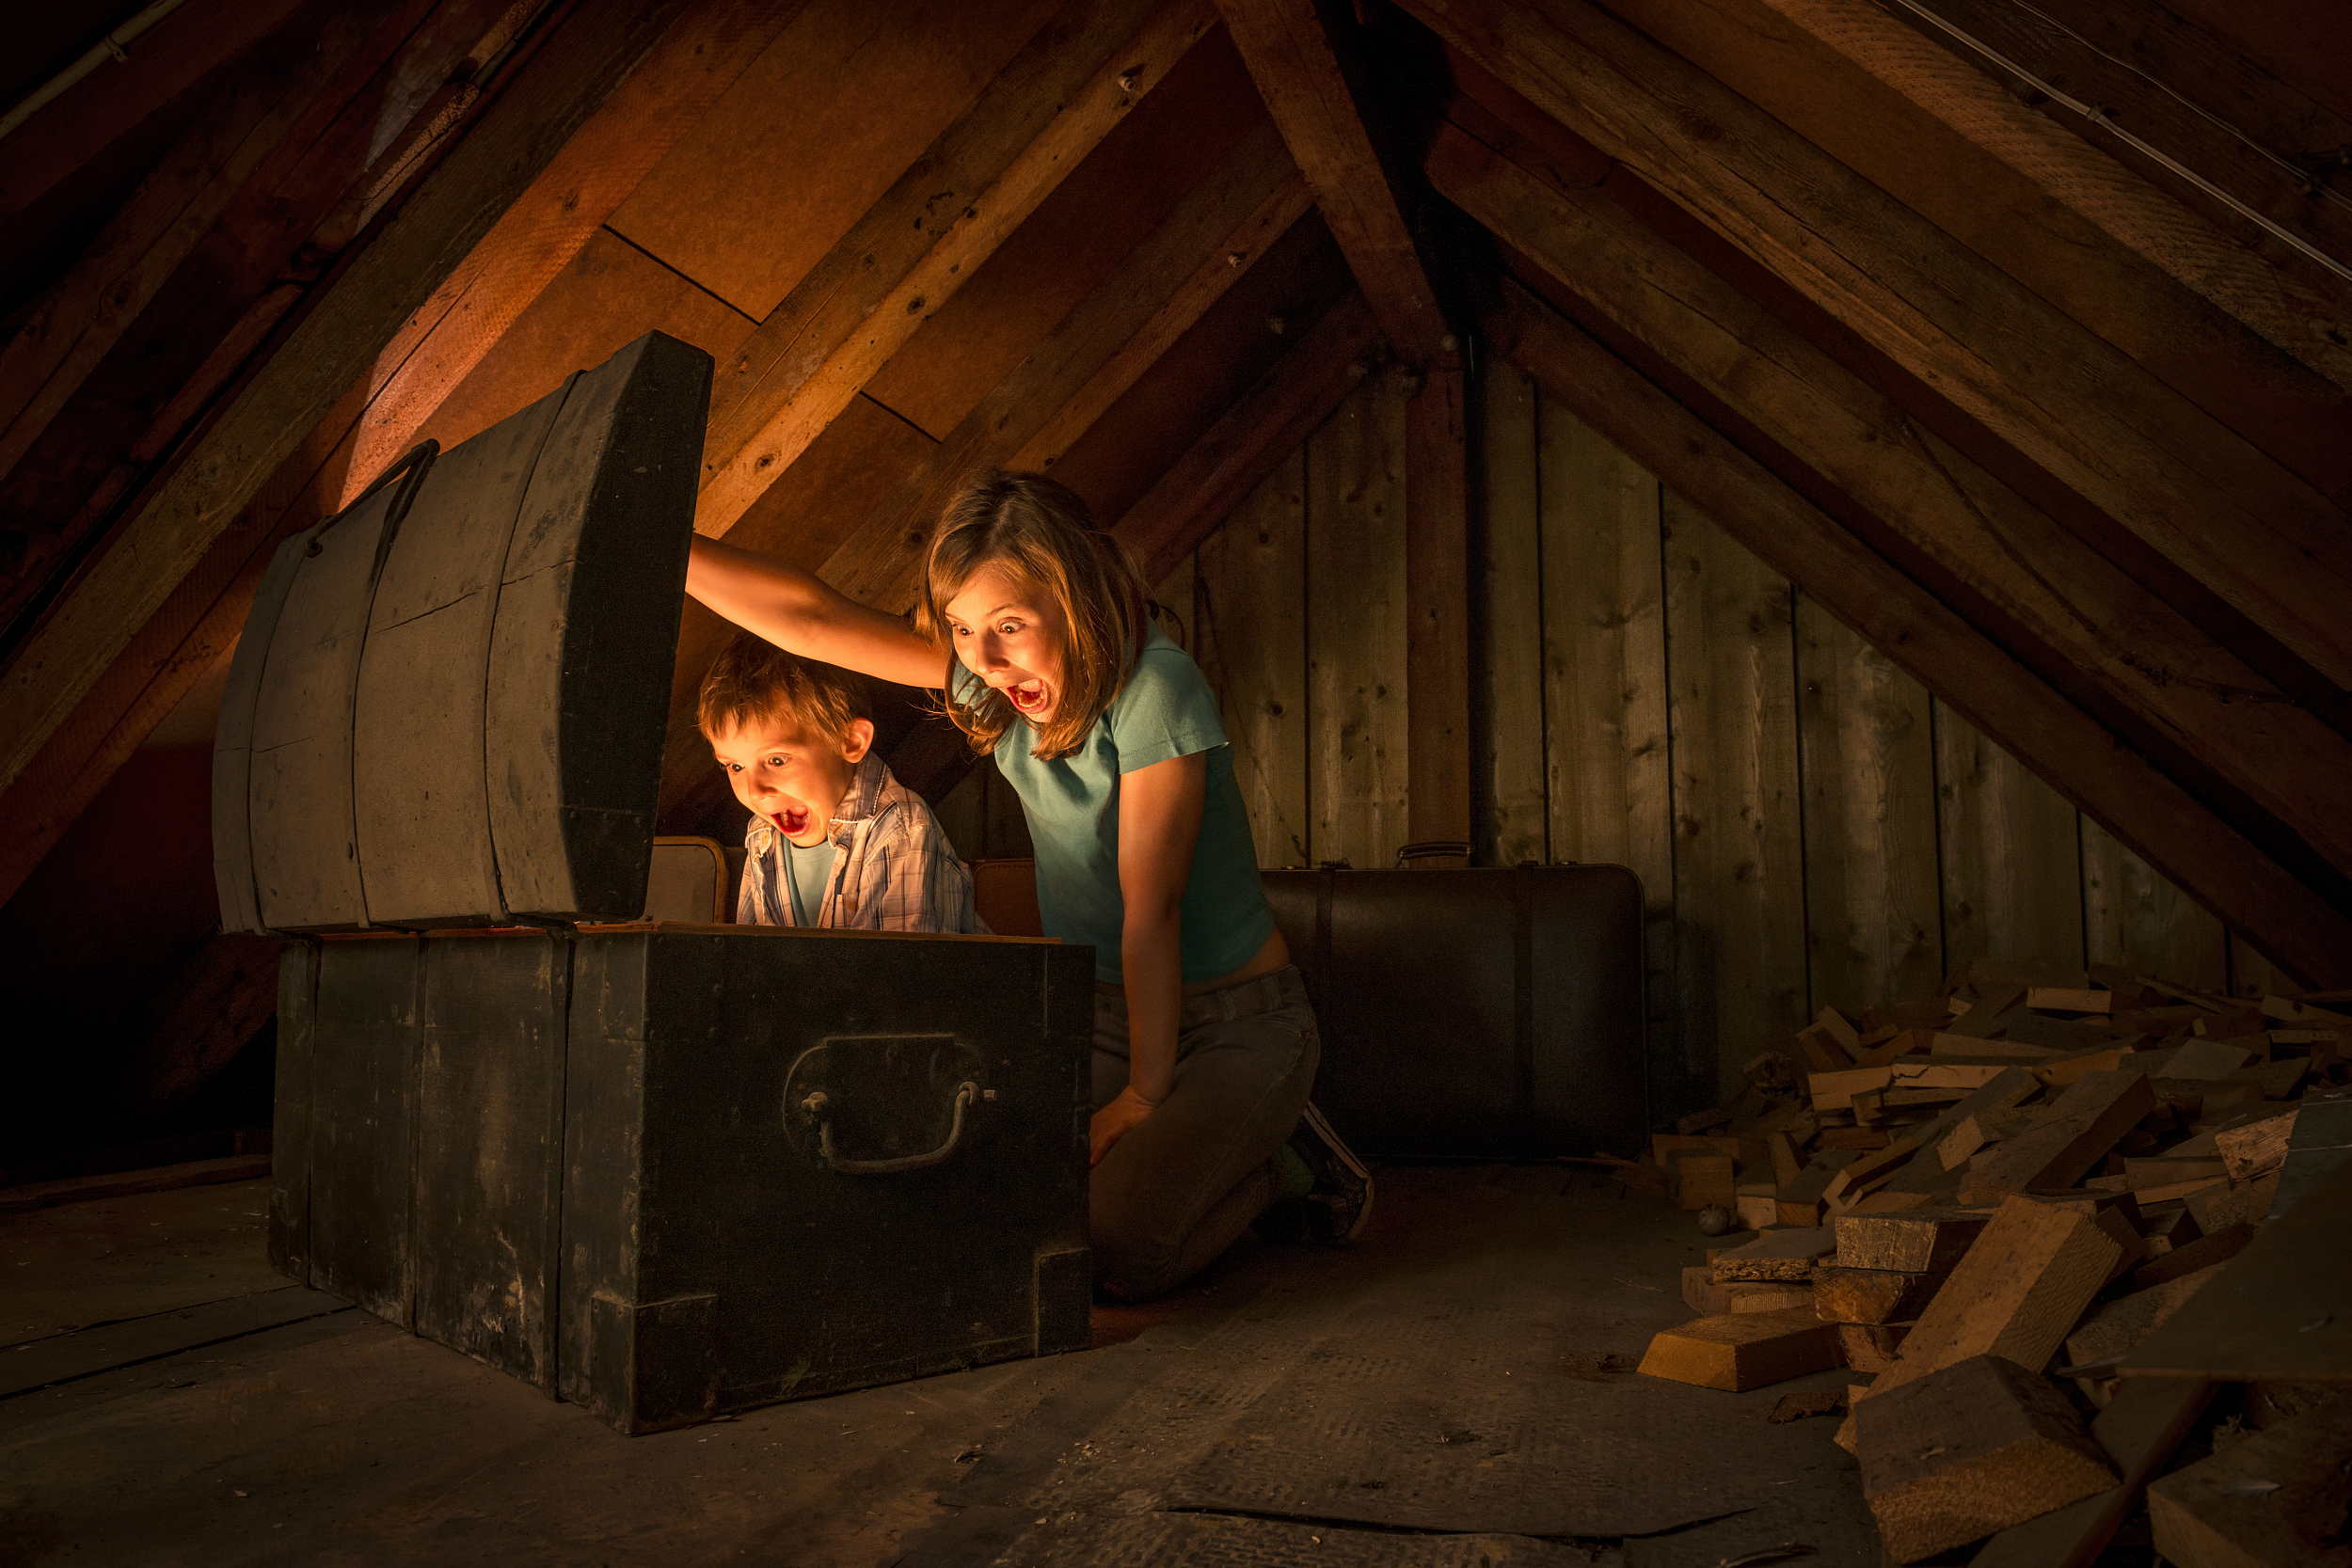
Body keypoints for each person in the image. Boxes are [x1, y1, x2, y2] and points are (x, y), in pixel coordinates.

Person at [686, 471, 1371, 1300]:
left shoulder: (1156, 689)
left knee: (1116, 1247)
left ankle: (1286, 1163)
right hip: (1105, 1015)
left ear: (1076, 594)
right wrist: (667, 547)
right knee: (964, 1190)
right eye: (963, 630)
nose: (983, 658)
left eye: (1009, 625)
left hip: (1237, 1024)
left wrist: (1143, 1099)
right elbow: (816, 618)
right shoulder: (996, 683)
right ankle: (1211, 1148)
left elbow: (1150, 910)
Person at [698, 631, 981, 933]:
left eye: (777, 760)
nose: (756, 791)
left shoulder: (900, 829)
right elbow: (750, 952)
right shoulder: (761, 832)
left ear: (850, 742)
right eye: (735, 766)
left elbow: (895, 972)